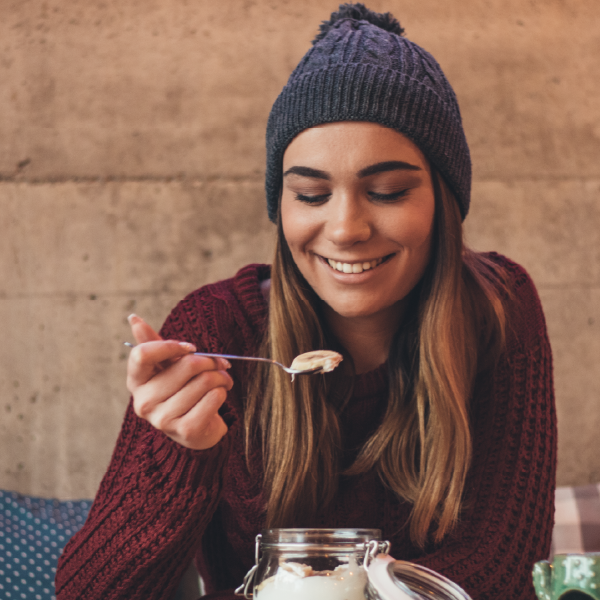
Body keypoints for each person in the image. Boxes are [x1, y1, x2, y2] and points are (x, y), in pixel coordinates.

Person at [55, 4, 556, 600]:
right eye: (311, 194)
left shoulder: (500, 308)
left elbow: (501, 568)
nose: (345, 228)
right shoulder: (218, 329)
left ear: (443, 201)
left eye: (388, 191)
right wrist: (182, 453)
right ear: (281, 206)